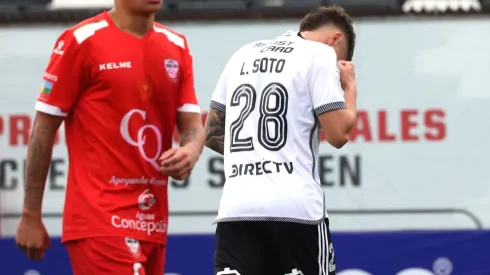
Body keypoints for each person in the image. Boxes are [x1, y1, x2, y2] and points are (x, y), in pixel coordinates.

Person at [15, 0, 205, 274]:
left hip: (153, 220)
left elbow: (192, 127)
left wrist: (191, 150)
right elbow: (43, 131)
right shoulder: (81, 40)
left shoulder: (176, 44)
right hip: (99, 220)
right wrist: (30, 214)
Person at [204, 5, 357, 275]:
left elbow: (212, 134)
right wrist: (350, 87)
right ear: (335, 40)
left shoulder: (243, 53)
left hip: (236, 208)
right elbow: (338, 134)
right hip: (296, 210)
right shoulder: (320, 54)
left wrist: (258, 157)